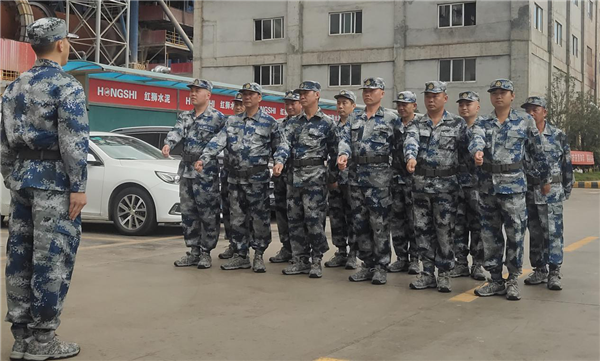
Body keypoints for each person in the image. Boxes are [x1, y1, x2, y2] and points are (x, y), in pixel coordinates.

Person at [1, 17, 88, 360]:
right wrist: (78, 186)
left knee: (19, 260)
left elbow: (4, 143)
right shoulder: (66, 87)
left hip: (22, 180)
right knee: (52, 259)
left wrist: (12, 176)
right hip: (54, 183)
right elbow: (73, 141)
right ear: (62, 44)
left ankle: (21, 339)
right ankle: (42, 343)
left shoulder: (14, 86)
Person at [469, 79, 550, 301]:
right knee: (490, 235)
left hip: (514, 187)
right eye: (494, 92)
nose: (498, 96)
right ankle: (495, 279)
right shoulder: (483, 122)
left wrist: (545, 180)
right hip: (488, 188)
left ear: (512, 96)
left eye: (503, 92)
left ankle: (512, 279)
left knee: (515, 234)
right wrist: (477, 151)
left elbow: (537, 151)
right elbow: (475, 139)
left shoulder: (525, 121)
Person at [195, 82, 279, 273]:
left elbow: (279, 147)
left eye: (251, 94)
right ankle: (241, 255)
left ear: (259, 97)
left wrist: (279, 162)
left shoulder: (269, 123)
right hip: (234, 179)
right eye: (244, 94)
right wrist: (204, 158)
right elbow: (217, 142)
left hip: (257, 180)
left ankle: (258, 255)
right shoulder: (232, 121)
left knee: (260, 219)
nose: (246, 97)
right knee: (237, 219)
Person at [404, 81, 469, 293]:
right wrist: (411, 157)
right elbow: (411, 141)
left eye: (435, 95)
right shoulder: (417, 123)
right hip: (421, 185)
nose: (431, 99)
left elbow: (465, 154)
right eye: (428, 96)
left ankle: (444, 273)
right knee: (422, 230)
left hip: (446, 188)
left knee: (444, 231)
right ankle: (427, 273)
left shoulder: (457, 124)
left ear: (444, 98)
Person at [273, 81, 338, 278]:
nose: (302, 96)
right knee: (295, 220)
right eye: (300, 93)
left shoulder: (327, 123)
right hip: (294, 179)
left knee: (314, 220)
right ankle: (300, 259)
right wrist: (279, 161)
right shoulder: (292, 123)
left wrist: (333, 178)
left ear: (316, 95)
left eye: (306, 93)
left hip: (316, 180)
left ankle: (316, 259)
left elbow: (335, 153)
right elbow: (284, 146)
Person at [337, 77, 399, 285]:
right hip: (356, 178)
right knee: (360, 223)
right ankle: (367, 264)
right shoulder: (355, 119)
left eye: (372, 90)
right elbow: (344, 140)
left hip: (380, 180)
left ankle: (381, 266)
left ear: (382, 93)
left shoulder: (391, 118)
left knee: (379, 224)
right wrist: (343, 154)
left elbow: (399, 147)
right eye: (365, 90)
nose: (368, 93)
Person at [164, 79, 226, 269]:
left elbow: (221, 142)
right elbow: (177, 131)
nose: (192, 93)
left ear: (208, 95)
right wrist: (169, 143)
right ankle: (193, 251)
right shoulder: (185, 116)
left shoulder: (218, 118)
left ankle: (206, 252)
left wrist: (206, 158)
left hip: (205, 172)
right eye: (191, 90)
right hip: (186, 170)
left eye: (197, 91)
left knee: (207, 213)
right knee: (188, 213)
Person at [521, 96, 573, 291]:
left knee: (553, 233)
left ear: (545, 112)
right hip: (529, 191)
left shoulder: (557, 135)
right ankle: (539, 269)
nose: (531, 113)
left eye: (535, 109)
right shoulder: (524, 136)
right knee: (534, 233)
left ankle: (554, 272)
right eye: (528, 110)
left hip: (552, 192)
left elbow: (566, 164)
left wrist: (566, 188)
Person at [451, 91, 485, 281]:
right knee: (458, 225)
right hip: (457, 185)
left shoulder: (484, 127)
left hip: (478, 185)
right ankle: (461, 262)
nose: (464, 107)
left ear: (477, 107)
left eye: (469, 104)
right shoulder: (454, 128)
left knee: (478, 226)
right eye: (461, 104)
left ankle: (478, 264)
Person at [324, 89, 358, 270]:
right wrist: (331, 177)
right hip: (336, 180)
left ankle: (353, 253)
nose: (341, 106)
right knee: (336, 217)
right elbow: (330, 154)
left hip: (353, 180)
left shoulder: (359, 126)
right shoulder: (333, 128)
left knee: (353, 217)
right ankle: (341, 251)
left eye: (345, 103)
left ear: (353, 105)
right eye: (339, 103)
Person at [388, 91, 420, 274]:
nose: (401, 107)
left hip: (415, 181)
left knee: (414, 221)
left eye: (405, 104)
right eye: (399, 104)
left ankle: (415, 258)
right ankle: (401, 257)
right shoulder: (393, 125)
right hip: (395, 179)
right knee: (397, 220)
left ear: (414, 106)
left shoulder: (421, 125)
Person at [269, 90, 302, 264]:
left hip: (299, 177)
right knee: (282, 213)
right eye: (287, 103)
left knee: (298, 215)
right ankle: (286, 247)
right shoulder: (279, 125)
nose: (289, 107)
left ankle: (301, 251)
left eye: (293, 103)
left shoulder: (305, 123)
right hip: (281, 176)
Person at [218, 92, 245, 260]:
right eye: (236, 104)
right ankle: (232, 244)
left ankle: (245, 247)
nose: (238, 107)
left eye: (241, 104)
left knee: (244, 213)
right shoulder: (228, 123)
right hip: (228, 173)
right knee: (228, 210)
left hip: (246, 176)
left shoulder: (255, 124)